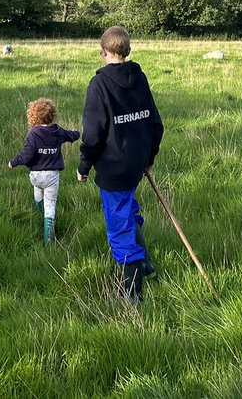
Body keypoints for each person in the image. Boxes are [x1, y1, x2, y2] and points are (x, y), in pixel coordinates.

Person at [77, 25, 163, 303]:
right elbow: (156, 124)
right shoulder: (141, 78)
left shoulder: (99, 84)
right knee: (129, 208)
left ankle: (131, 296)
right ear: (127, 50)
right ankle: (146, 264)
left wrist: (84, 165)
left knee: (119, 226)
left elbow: (92, 134)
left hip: (114, 168)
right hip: (136, 163)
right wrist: (148, 158)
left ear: (103, 51)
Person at [8, 98, 80, 244]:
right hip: (51, 176)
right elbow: (72, 135)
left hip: (35, 176)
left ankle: (38, 212)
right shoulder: (58, 131)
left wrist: (13, 163)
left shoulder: (33, 134)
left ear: (32, 117)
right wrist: (76, 133)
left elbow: (27, 156)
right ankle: (48, 238)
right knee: (51, 204)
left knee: (38, 191)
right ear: (52, 115)